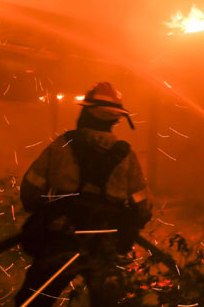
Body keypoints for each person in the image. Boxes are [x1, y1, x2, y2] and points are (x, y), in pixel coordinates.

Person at [15, 82, 152, 307]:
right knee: (109, 302)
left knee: (32, 301)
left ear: (86, 112)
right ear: (116, 118)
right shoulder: (126, 156)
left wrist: (43, 215)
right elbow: (143, 205)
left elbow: (31, 189)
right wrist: (130, 226)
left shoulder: (62, 145)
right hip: (104, 244)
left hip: (60, 238)